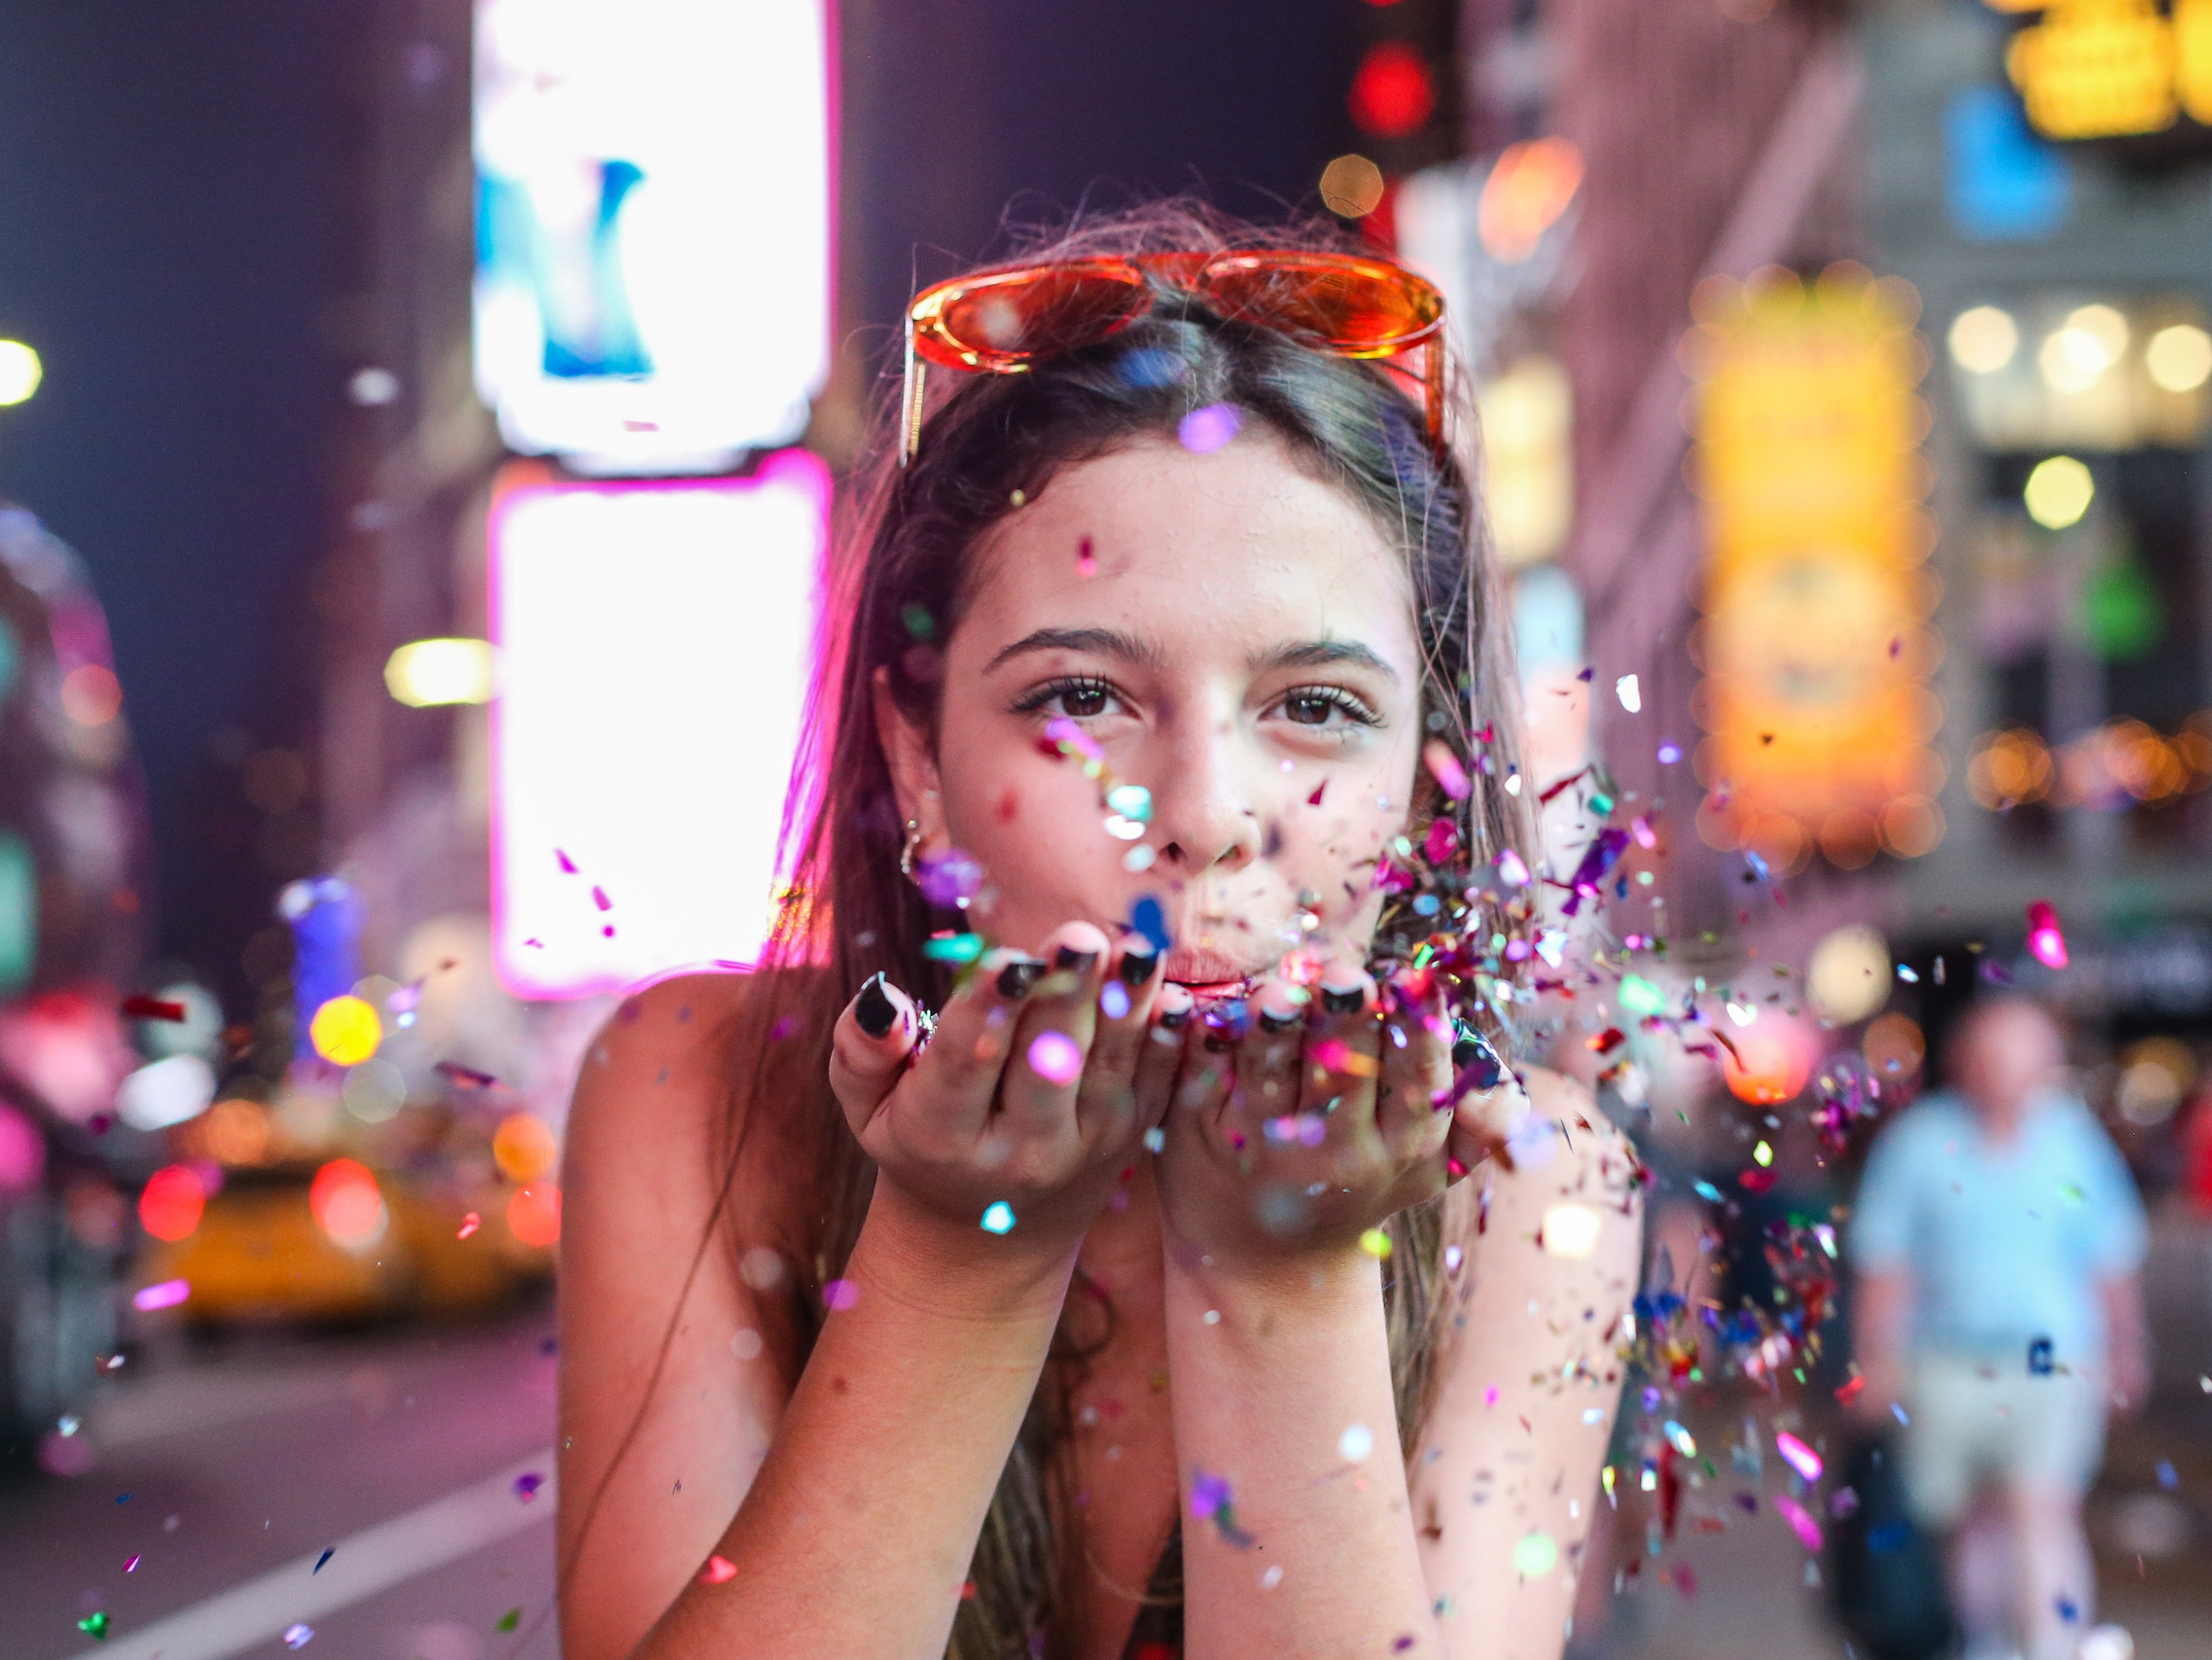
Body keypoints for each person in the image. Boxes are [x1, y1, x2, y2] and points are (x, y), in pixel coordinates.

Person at [553, 204, 1643, 1660]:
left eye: (1315, 708)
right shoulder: (700, 1082)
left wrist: (1283, 1274)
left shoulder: (1533, 1178)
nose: (1206, 815)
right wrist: (959, 1245)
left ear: (1428, 784)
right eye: (1083, 698)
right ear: (923, 759)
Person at [1849, 997, 2149, 1660]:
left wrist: (2127, 1346)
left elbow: (2109, 1255)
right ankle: (1981, 1643)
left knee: (2043, 1511)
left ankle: (2050, 1645)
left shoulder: (2072, 1141)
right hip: (1946, 1361)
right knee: (1963, 1523)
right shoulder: (1921, 1142)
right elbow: (1887, 1261)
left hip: (2052, 1357)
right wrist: (1876, 1357)